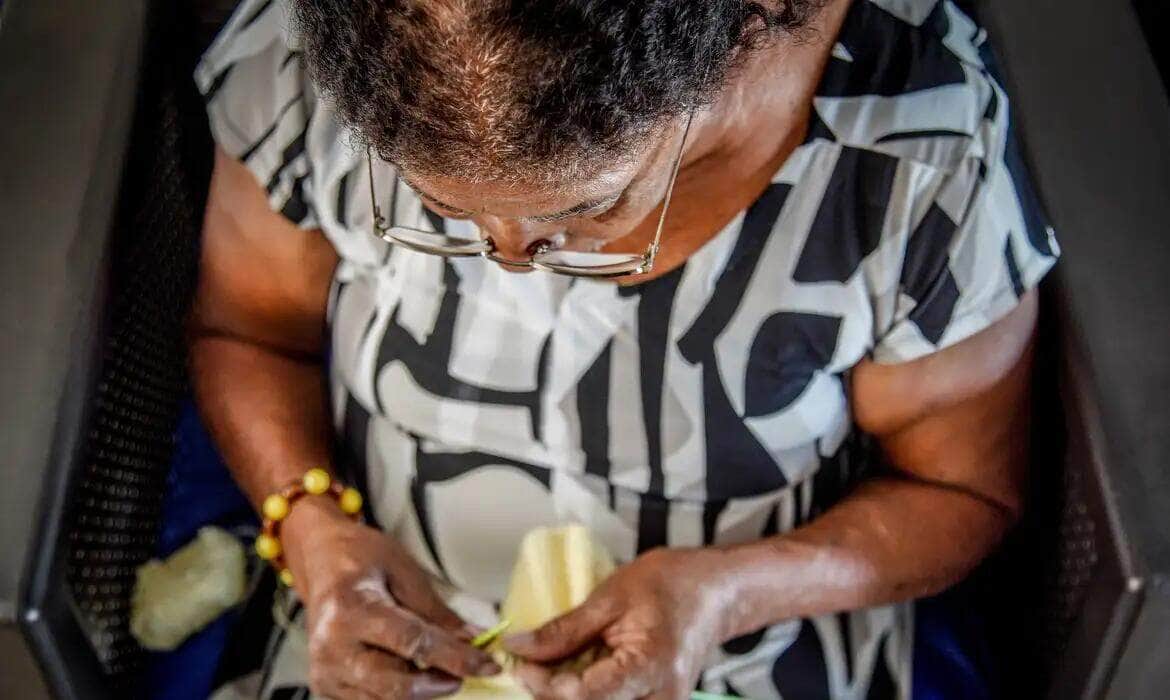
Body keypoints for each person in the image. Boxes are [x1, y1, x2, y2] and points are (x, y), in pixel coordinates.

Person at [192, 0, 1059, 697]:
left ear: (735, 42)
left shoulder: (915, 160)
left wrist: (729, 592)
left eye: (586, 210)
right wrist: (309, 526)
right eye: (439, 206)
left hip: (741, 650)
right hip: (366, 637)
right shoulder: (310, 55)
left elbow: (961, 488)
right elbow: (248, 334)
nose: (509, 259)